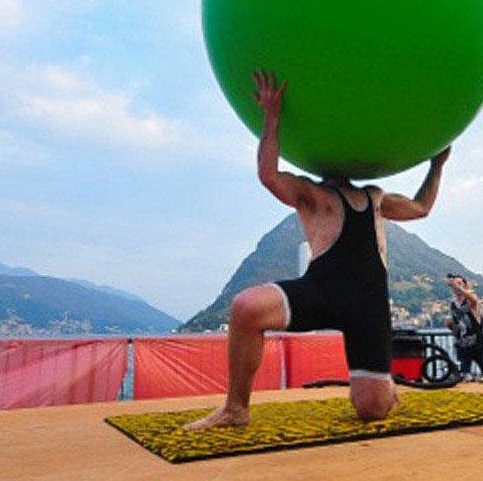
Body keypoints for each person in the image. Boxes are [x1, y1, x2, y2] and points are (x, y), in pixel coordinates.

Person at [186, 71, 450, 429]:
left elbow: (421, 208)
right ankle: (236, 409)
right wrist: (272, 117)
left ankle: (385, 388)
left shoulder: (375, 196)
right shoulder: (310, 193)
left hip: (368, 304)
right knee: (246, 307)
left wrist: (437, 165)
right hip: (322, 291)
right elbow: (268, 175)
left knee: (371, 411)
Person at [444, 274, 483, 381]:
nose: (457, 287)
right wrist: (450, 325)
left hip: (477, 344)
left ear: (465, 285)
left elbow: (474, 301)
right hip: (462, 345)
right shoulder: (453, 304)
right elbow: (456, 324)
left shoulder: (470, 300)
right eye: (455, 284)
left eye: (460, 283)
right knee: (463, 374)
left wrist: (460, 288)